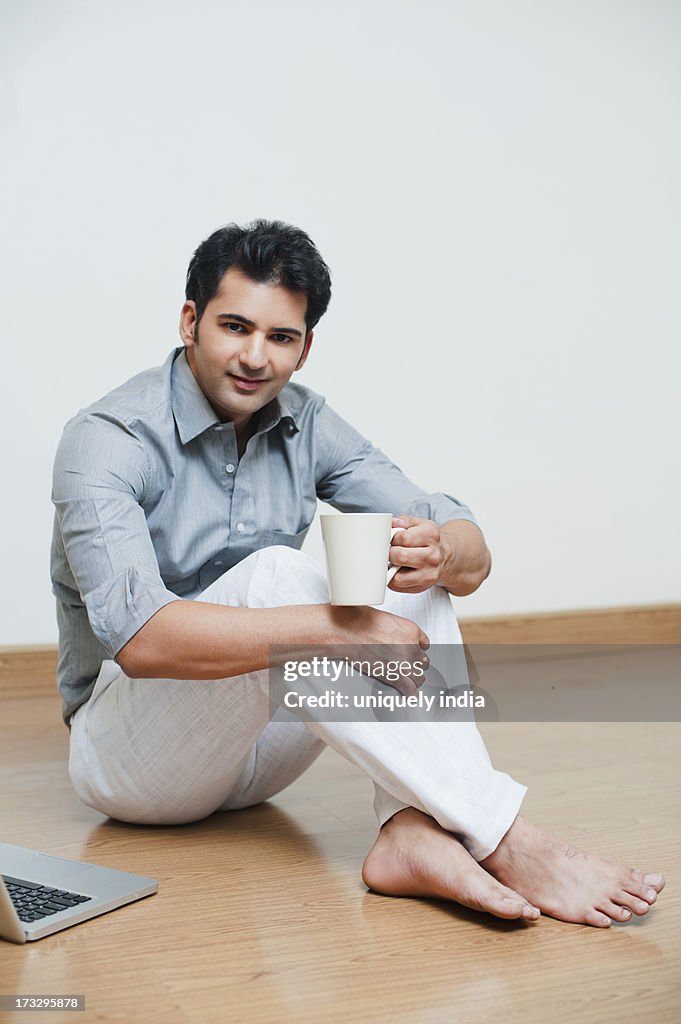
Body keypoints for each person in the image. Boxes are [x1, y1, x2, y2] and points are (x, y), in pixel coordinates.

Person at [51, 219, 665, 929]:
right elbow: (142, 642)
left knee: (412, 556)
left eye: (280, 337)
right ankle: (503, 835)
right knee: (279, 573)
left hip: (258, 755)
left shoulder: (307, 422)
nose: (254, 356)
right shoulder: (107, 438)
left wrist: (445, 551)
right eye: (234, 327)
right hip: (131, 760)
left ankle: (410, 829)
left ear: (305, 346)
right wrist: (337, 631)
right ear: (190, 321)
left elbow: (461, 539)